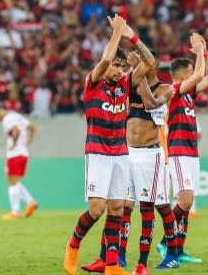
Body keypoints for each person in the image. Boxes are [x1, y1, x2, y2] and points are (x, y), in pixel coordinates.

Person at [63, 14, 155, 275]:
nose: (116, 70)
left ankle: (112, 265)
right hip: (97, 152)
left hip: (120, 153)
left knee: (117, 209)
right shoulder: (93, 83)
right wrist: (116, 32)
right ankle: (72, 246)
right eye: (114, 66)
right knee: (97, 208)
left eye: (120, 67)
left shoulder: (125, 82)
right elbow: (104, 60)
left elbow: (150, 62)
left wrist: (131, 36)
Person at [156, 34, 208, 265]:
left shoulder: (188, 93)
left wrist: (205, 53)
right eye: (191, 70)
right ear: (184, 75)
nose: (195, 73)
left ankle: (179, 250)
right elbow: (202, 74)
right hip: (179, 152)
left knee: (187, 202)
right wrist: (199, 48)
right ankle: (166, 242)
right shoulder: (174, 91)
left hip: (192, 153)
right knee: (185, 200)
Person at [0, 101, 38, 220]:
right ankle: (30, 202)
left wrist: (14, 143)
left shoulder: (7, 119)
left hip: (15, 154)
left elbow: (15, 130)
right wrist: (28, 142)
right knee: (15, 182)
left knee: (12, 183)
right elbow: (33, 128)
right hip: (23, 153)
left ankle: (15, 212)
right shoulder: (16, 115)